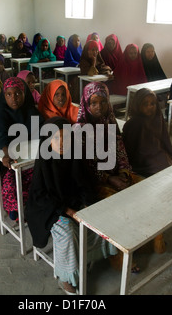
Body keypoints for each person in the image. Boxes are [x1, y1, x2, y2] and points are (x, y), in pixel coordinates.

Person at [25, 116, 117, 295]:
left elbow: (84, 184)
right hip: (47, 208)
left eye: (65, 137)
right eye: (56, 138)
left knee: (98, 219)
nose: (61, 143)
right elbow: (40, 195)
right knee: (67, 231)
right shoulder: (44, 160)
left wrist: (88, 205)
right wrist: (67, 211)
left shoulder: (74, 154)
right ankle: (67, 278)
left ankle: (87, 258)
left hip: (72, 202)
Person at [75, 82, 155, 259]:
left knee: (145, 190)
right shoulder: (80, 129)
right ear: (86, 104)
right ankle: (120, 256)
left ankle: (145, 241)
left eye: (103, 102)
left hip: (116, 174)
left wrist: (124, 173)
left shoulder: (109, 120)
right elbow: (87, 166)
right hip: (95, 181)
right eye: (93, 103)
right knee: (118, 206)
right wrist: (111, 179)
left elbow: (120, 150)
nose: (99, 107)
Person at [0, 77, 44, 221]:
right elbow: (1, 136)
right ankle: (14, 208)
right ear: (4, 95)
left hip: (28, 152)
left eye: (18, 94)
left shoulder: (30, 110)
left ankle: (33, 204)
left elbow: (40, 130)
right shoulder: (1, 111)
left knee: (39, 173)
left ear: (24, 94)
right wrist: (9, 154)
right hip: (5, 152)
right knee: (10, 177)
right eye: (8, 94)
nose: (13, 98)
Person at [123, 88, 172, 177]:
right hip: (142, 163)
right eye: (145, 104)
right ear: (137, 105)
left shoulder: (157, 117)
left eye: (152, 104)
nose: (149, 107)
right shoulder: (133, 123)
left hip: (159, 155)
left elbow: (165, 140)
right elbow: (129, 150)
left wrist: (169, 157)